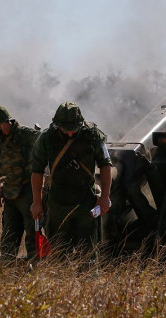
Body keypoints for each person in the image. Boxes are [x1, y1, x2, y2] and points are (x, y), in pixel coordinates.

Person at [29, 102, 112, 255]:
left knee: (88, 254)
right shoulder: (46, 138)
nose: (70, 134)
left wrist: (105, 197)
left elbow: (105, 165)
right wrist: (37, 202)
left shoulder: (93, 135)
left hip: (86, 201)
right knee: (58, 253)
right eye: (66, 130)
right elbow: (36, 171)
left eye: (74, 130)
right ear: (57, 124)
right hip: (57, 202)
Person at [0, 105, 41, 261]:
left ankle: (36, 267)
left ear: (2, 122)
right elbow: (4, 168)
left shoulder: (25, 134)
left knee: (32, 233)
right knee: (9, 234)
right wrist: (1, 190)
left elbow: (44, 145)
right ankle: (7, 270)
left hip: (28, 192)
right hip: (10, 194)